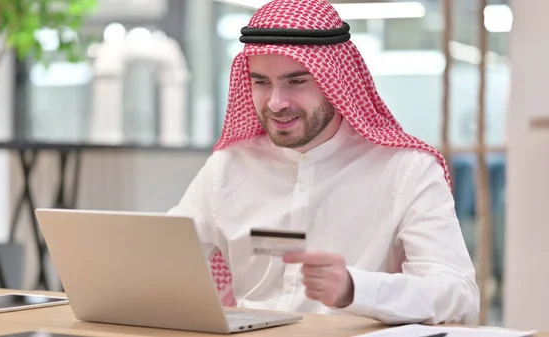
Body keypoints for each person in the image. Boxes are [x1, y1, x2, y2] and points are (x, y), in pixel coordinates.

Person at [168, 0, 480, 325]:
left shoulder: (406, 170)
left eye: (296, 81)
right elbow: (162, 257)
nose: (276, 102)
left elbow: (460, 296)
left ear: (336, 81)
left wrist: (355, 288)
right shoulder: (228, 167)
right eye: (261, 82)